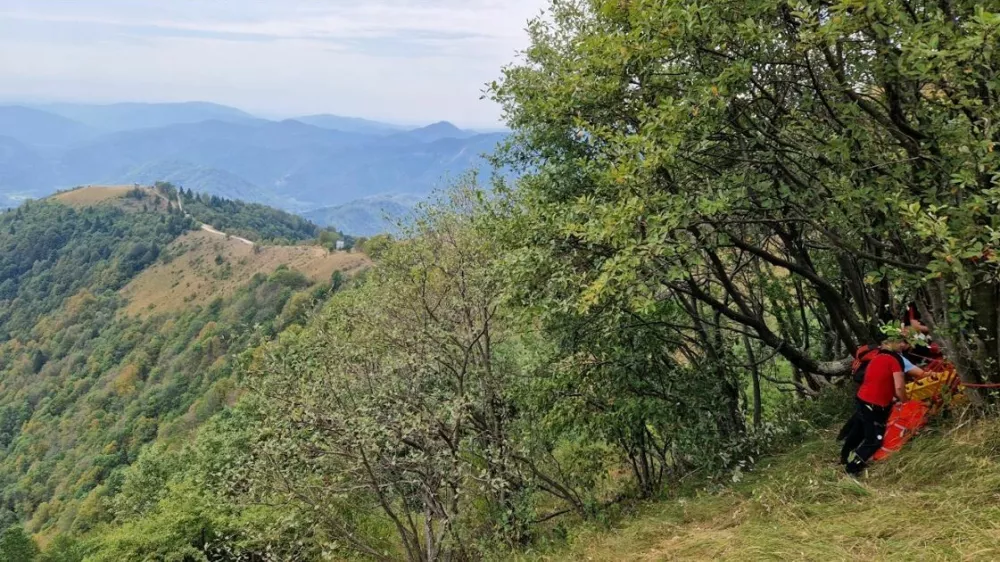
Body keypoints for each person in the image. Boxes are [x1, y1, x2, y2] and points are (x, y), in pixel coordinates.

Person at [840, 327, 910, 474]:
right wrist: (905, 402)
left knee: (859, 431)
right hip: (874, 405)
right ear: (894, 343)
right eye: (902, 342)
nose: (904, 345)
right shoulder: (895, 360)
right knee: (874, 441)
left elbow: (878, 381)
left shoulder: (877, 356)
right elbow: (899, 388)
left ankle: (844, 457)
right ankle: (852, 469)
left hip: (862, 399)